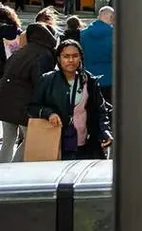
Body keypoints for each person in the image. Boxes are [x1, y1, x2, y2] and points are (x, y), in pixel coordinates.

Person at [27, 39, 112, 159]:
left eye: (75, 56)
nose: (71, 60)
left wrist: (105, 131)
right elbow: (32, 107)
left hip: (86, 144)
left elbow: (101, 110)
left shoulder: (89, 80)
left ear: (80, 58)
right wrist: (49, 113)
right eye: (66, 56)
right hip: (56, 143)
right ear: (58, 59)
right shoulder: (47, 80)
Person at [0, 22, 57, 161]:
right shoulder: (43, 53)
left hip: (5, 99)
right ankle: (14, 168)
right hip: (24, 103)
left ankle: (3, 170)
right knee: (32, 138)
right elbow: (41, 81)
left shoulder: (22, 51)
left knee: (8, 139)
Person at [79, 6, 115, 104]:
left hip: (88, 77)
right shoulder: (115, 35)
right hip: (109, 78)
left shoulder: (82, 34)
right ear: (112, 18)